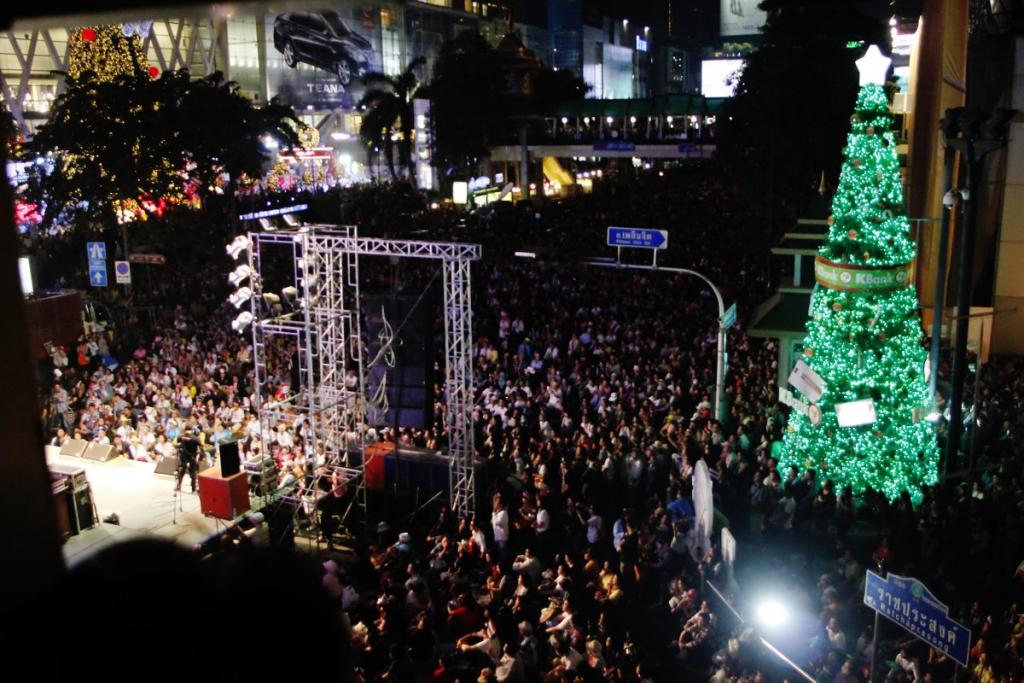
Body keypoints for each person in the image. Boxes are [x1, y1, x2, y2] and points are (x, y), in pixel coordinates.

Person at [176, 428, 200, 494]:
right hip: (187, 457)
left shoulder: (182, 437)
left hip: (188, 457)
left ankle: (192, 488)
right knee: (187, 472)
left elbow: (178, 445)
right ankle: (192, 489)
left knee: (190, 473)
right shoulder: (194, 438)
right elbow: (178, 445)